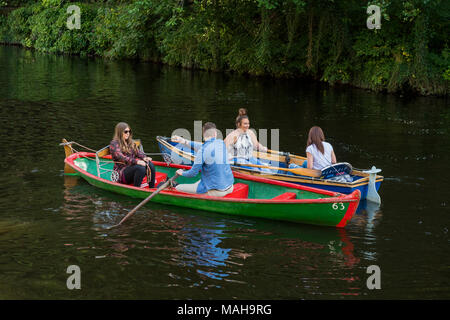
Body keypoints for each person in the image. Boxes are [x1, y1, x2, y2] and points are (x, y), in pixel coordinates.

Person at [174, 122, 234, 197]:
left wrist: (181, 172)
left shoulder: (202, 150)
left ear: (204, 134)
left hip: (217, 192)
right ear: (215, 133)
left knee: (177, 188)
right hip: (230, 187)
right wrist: (184, 141)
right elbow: (202, 146)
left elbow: (192, 173)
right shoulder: (221, 143)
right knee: (199, 182)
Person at [109, 122, 155, 187]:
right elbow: (121, 157)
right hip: (121, 172)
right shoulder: (114, 143)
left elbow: (138, 152)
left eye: (129, 131)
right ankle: (136, 189)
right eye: (126, 131)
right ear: (120, 132)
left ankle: (152, 188)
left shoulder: (130, 142)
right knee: (140, 168)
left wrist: (144, 157)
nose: (128, 133)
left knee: (150, 164)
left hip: (131, 168)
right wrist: (137, 161)